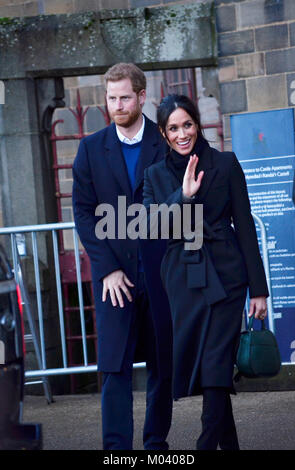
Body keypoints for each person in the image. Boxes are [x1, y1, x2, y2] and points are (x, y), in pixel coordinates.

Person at [143, 94, 269, 450]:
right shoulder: (154, 174)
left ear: (197, 125)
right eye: (173, 128)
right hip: (184, 280)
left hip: (228, 275)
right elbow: (151, 227)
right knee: (208, 366)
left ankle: (205, 444)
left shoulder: (226, 164)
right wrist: (182, 196)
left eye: (187, 125)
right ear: (164, 135)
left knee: (215, 360)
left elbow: (245, 227)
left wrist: (258, 290)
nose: (182, 134)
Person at [72, 63, 172, 450]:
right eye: (111, 98)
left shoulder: (164, 143)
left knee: (162, 366)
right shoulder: (91, 147)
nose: (117, 105)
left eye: (125, 97)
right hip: (114, 278)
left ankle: (155, 446)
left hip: (160, 273)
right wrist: (108, 268)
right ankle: (116, 451)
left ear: (142, 97)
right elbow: (82, 211)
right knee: (114, 368)